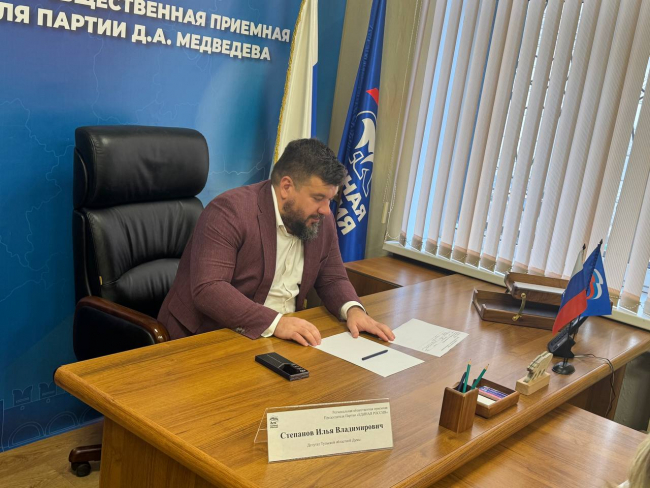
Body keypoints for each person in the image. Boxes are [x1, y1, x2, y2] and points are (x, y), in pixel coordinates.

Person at [158, 138, 395, 346]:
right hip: (210, 336)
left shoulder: (320, 218)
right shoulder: (229, 212)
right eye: (318, 198)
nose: (326, 210)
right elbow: (209, 289)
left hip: (281, 338)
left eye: (330, 200)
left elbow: (332, 277)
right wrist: (275, 323)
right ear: (286, 187)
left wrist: (353, 310)